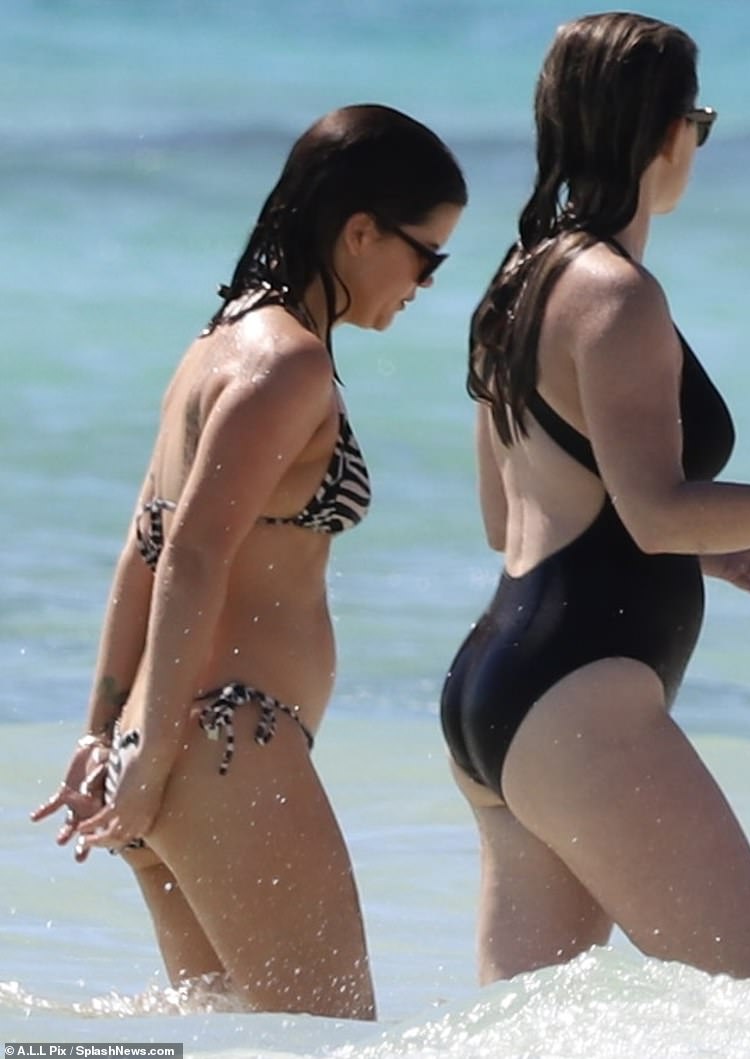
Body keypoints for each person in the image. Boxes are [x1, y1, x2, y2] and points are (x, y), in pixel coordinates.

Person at [439, 13, 750, 993]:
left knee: (535, 1042)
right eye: (697, 119)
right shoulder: (615, 296)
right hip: (577, 703)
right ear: (663, 129)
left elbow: (515, 523)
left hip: (496, 685)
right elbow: (656, 512)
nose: (696, 145)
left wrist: (690, 554)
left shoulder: (517, 281)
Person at [31, 103, 467, 1018]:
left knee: (228, 1037)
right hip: (231, 747)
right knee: (331, 1041)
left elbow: (142, 542)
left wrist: (106, 733)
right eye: (428, 255)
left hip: (181, 749)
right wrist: (142, 758)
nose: (428, 283)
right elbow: (188, 554)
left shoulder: (214, 348)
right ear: (359, 232)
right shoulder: (289, 365)